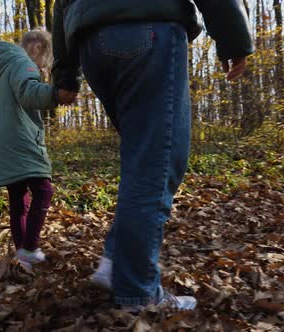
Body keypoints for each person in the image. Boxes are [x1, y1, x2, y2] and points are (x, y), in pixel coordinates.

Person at [52, 1, 254, 312]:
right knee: (157, 161)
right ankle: (138, 292)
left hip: (90, 43)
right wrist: (233, 37)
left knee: (143, 159)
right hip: (147, 29)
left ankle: (115, 263)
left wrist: (65, 70)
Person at [0, 29, 76, 266]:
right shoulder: (23, 64)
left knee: (18, 198)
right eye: (46, 58)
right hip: (21, 138)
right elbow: (28, 93)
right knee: (44, 190)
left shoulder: (3, 68)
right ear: (39, 49)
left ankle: (22, 253)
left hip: (3, 140)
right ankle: (29, 249)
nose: (44, 66)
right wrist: (56, 94)